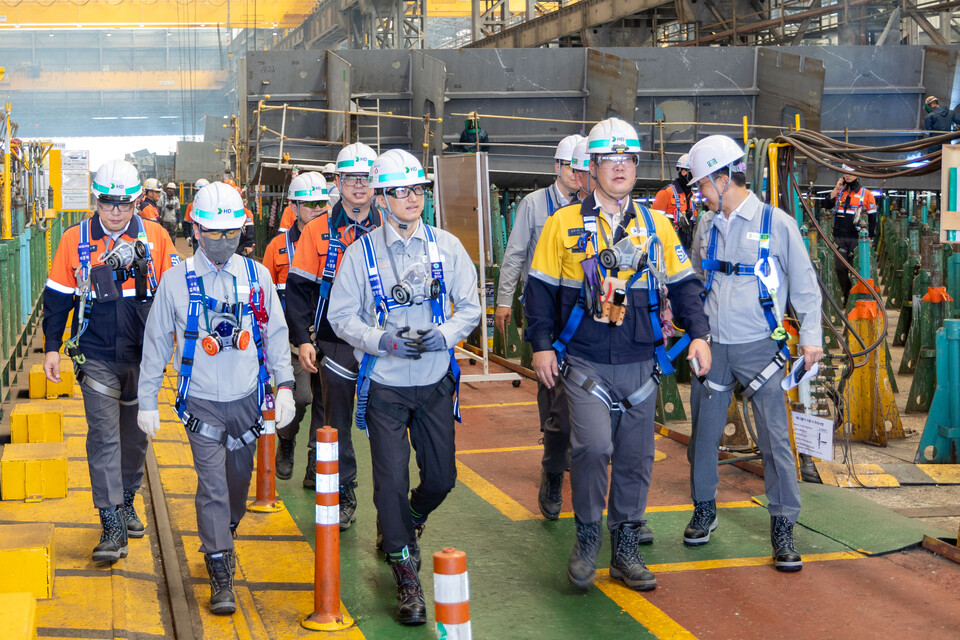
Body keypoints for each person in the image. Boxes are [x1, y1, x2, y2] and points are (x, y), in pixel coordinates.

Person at [524, 118, 712, 592]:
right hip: (584, 360)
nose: (620, 167)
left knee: (636, 457)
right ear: (592, 168)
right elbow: (539, 291)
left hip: (641, 362)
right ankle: (588, 535)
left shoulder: (656, 225)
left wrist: (699, 334)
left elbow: (685, 285)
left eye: (627, 158)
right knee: (591, 448)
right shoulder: (563, 224)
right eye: (610, 159)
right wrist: (541, 346)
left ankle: (625, 546)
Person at [327, 149, 480, 625]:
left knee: (441, 478)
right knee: (390, 482)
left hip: (434, 382)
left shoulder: (446, 247)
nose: (412, 198)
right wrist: (381, 340)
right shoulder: (361, 254)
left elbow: (470, 306)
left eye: (418, 189)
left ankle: (411, 518)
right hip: (386, 386)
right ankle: (405, 573)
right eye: (401, 191)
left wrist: (446, 334)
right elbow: (340, 316)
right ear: (382, 198)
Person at [137, 181, 296, 615]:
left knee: (236, 487)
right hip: (201, 402)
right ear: (195, 230)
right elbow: (156, 343)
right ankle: (220, 566)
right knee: (212, 486)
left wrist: (284, 385)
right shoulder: (175, 282)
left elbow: (275, 333)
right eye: (213, 233)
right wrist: (147, 399)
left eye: (231, 233)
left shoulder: (257, 276)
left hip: (247, 400)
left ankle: (224, 531)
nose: (223, 241)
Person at [687, 134, 823, 572]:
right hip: (713, 347)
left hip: (761, 348)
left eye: (703, 184)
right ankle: (704, 509)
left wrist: (811, 338)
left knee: (774, 440)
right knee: (703, 435)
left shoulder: (776, 223)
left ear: (723, 178)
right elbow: (695, 280)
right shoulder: (707, 225)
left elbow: (804, 285)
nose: (700, 193)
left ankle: (783, 525)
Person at [42, 159, 178, 564]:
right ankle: (111, 523)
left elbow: (175, 296)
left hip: (144, 356)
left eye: (124, 204)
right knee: (103, 437)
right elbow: (57, 298)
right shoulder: (74, 239)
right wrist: (52, 347)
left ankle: (128, 498)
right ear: (96, 202)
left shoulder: (157, 238)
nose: (115, 212)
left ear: (136, 202)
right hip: (97, 353)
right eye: (107, 203)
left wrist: (180, 347)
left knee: (135, 437)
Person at [284, 144, 380, 516]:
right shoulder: (317, 231)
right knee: (334, 421)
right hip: (334, 341)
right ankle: (342, 491)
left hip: (380, 340)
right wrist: (302, 340)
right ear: (337, 182)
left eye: (365, 178)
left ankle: (390, 510)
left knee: (385, 421)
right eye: (350, 178)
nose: (359, 185)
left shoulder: (389, 225)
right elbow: (298, 291)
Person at [494, 134, 582, 520]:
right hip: (543, 306)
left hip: (583, 309)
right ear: (557, 167)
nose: (577, 174)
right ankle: (554, 455)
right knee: (552, 382)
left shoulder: (593, 206)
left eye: (583, 168)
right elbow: (515, 254)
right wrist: (504, 300)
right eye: (571, 167)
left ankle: (574, 451)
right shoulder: (533, 204)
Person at [262, 172, 330, 487]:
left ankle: (314, 464)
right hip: (292, 342)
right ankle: (286, 440)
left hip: (328, 339)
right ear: (293, 207)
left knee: (326, 405)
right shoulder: (277, 247)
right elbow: (263, 296)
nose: (318, 209)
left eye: (322, 203)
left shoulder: (334, 241)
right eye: (310, 204)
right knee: (300, 398)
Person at [825, 164, 876, 305]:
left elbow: (873, 218)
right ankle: (847, 294)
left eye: (851, 172)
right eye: (845, 172)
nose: (847, 175)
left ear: (858, 174)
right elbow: (826, 204)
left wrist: (870, 238)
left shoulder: (866, 194)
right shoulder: (840, 192)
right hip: (840, 237)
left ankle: (855, 297)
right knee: (840, 268)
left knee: (857, 270)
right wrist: (836, 189)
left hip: (857, 238)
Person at [652, 153, 696, 249]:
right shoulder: (666, 192)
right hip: (669, 247)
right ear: (684, 172)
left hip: (686, 247)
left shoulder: (691, 195)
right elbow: (654, 223)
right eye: (693, 172)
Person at [184, 178, 209, 246]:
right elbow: (187, 223)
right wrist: (187, 236)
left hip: (210, 237)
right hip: (196, 238)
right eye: (198, 191)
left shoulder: (213, 206)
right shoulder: (191, 206)